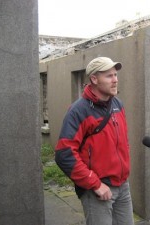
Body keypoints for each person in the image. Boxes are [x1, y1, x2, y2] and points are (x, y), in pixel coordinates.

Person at [55, 57, 134, 225]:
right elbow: (64, 154)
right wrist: (95, 183)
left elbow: (122, 143)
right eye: (109, 76)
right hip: (97, 190)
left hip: (122, 186)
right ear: (94, 79)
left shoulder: (118, 104)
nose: (115, 80)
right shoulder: (79, 111)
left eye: (115, 75)